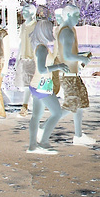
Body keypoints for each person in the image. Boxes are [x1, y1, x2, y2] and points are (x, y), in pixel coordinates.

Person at [27, 19, 69, 154]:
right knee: (57, 113)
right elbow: (41, 69)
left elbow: (54, 55)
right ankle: (44, 141)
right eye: (50, 30)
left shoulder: (41, 47)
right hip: (42, 85)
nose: (51, 32)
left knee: (36, 115)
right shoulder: (42, 49)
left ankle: (33, 145)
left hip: (37, 85)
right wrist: (58, 66)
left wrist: (56, 37)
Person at [57, 3, 95, 145]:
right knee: (70, 106)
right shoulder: (67, 31)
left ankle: (78, 136)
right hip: (68, 75)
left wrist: (81, 56)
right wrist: (81, 58)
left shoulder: (69, 29)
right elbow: (66, 55)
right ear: (68, 15)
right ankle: (43, 128)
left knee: (78, 105)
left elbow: (69, 53)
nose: (79, 18)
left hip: (72, 74)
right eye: (76, 15)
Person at [15, 3, 37, 117]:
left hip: (33, 59)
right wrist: (18, 57)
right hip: (24, 59)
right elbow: (21, 43)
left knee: (32, 84)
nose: (23, 13)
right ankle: (27, 105)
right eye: (23, 11)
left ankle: (27, 106)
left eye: (26, 11)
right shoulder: (23, 26)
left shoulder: (37, 26)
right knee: (27, 84)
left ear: (32, 13)